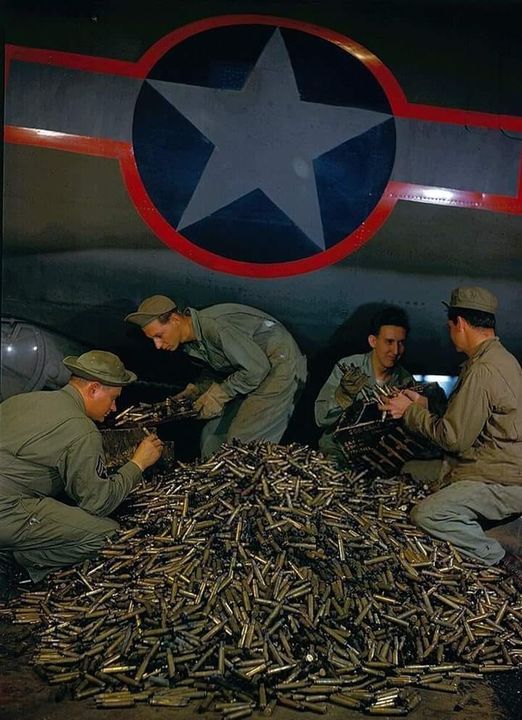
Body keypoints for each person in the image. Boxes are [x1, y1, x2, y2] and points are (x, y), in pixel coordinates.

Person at [381, 287, 522, 584]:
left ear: (459, 323)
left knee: (427, 514)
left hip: (499, 480)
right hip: (500, 471)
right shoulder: (501, 360)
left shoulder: (482, 369)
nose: (449, 333)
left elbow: (453, 438)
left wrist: (408, 412)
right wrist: (424, 404)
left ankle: (501, 559)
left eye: (449, 327)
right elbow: (475, 420)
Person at [0, 351, 163, 597]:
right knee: (108, 535)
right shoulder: (81, 430)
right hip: (6, 510)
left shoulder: (22, 400)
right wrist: (138, 464)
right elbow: (97, 503)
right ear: (94, 388)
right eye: (113, 398)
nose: (114, 407)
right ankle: (20, 558)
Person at [125, 296, 307, 458]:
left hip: (279, 369)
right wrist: (196, 390)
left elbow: (256, 369)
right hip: (255, 373)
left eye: (159, 335)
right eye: (152, 339)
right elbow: (222, 368)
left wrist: (218, 395)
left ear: (175, 319)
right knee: (212, 438)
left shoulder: (214, 326)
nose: (157, 345)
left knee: (242, 443)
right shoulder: (191, 342)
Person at [315, 306, 415, 464]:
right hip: (337, 451)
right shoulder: (349, 367)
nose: (395, 351)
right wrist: (344, 396)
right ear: (373, 341)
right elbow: (320, 418)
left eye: (401, 343)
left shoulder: (405, 380)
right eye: (389, 342)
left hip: (377, 457)